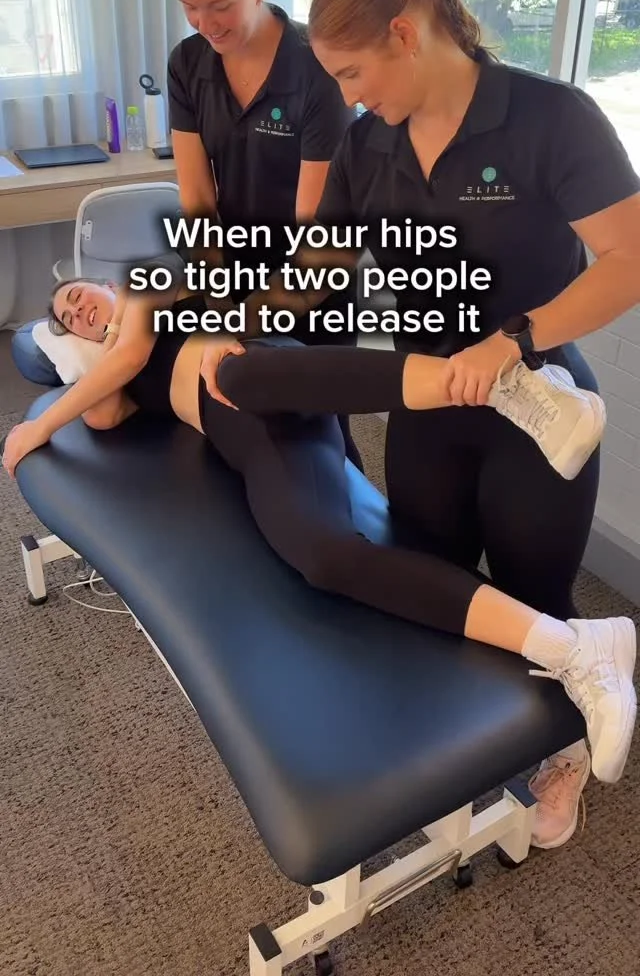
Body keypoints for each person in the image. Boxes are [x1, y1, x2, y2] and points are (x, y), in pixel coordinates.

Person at [203, 0, 640, 852]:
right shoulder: (369, 145)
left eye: (353, 73)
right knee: (436, 584)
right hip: (428, 409)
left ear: (405, 33)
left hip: (539, 409)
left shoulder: (549, 117)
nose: (349, 96)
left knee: (536, 595)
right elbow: (321, 268)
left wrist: (516, 338)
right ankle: (466, 752)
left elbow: (629, 259)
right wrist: (237, 314)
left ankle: (559, 754)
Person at [1, 276, 637, 797]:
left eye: (78, 295)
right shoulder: (112, 368)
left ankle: (504, 385)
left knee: (239, 375)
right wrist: (79, 354)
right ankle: (573, 645)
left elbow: (134, 353)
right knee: (323, 558)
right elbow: (104, 412)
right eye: (67, 319)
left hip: (263, 375)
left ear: (103, 283)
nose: (78, 312)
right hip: (262, 440)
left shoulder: (143, 292)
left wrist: (39, 426)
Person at [166, 0, 362, 467]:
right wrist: (218, 305)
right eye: (189, 7)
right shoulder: (188, 65)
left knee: (323, 443)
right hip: (234, 272)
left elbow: (316, 239)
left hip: (313, 284)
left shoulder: (315, 71)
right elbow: (198, 200)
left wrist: (240, 322)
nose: (206, 24)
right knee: (247, 435)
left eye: (220, 5)